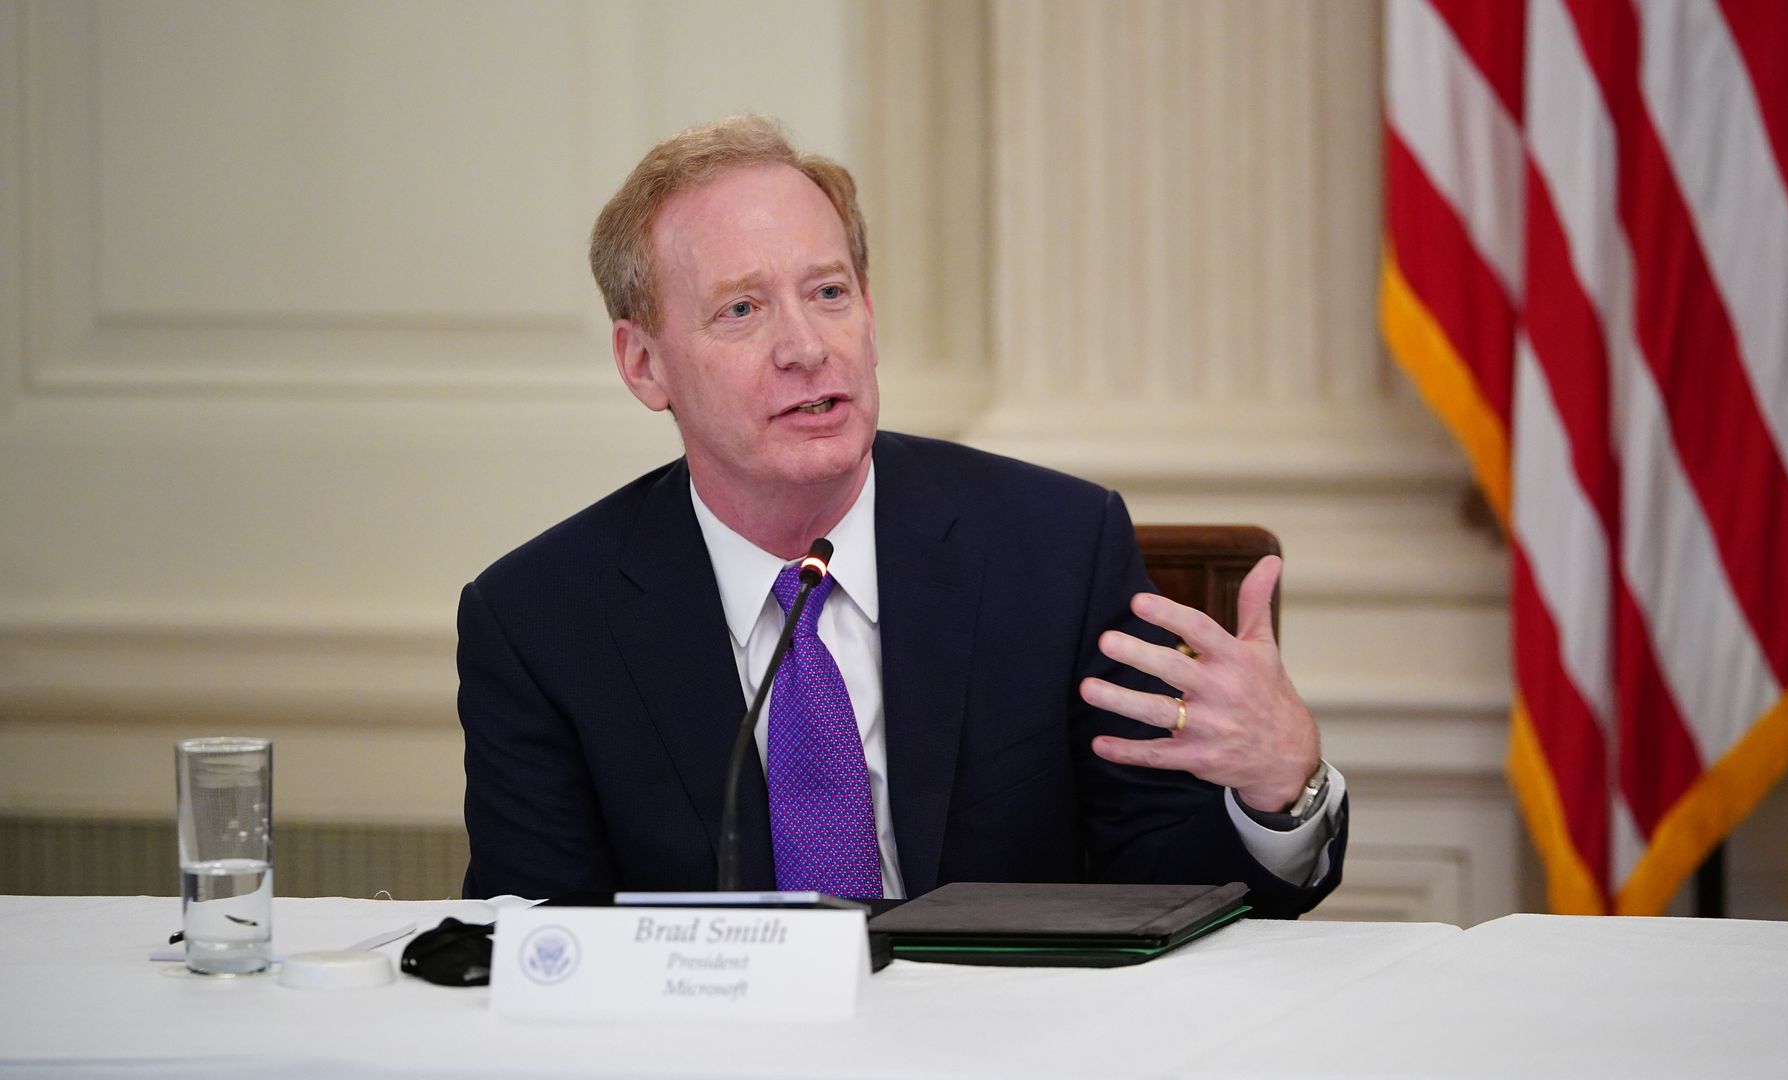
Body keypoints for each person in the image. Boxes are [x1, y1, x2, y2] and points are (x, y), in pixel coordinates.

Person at [458, 115, 1347, 917]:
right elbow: (538, 946)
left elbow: (1172, 889)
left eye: (830, 293)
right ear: (644, 364)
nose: (807, 347)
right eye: (742, 309)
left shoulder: (1056, 548)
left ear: (870, 313)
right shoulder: (541, 621)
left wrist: (1282, 791)